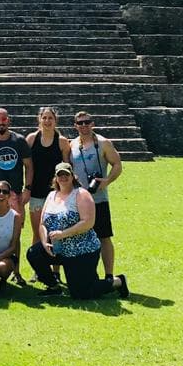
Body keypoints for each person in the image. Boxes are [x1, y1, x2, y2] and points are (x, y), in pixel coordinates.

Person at [27, 163, 128, 300]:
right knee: (34, 253)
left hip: (81, 250)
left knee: (81, 293)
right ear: (56, 178)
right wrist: (45, 243)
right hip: (59, 249)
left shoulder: (81, 194)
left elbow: (88, 222)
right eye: (60, 175)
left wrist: (63, 234)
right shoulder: (51, 195)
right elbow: (42, 223)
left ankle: (118, 281)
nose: (63, 177)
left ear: (73, 176)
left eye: (66, 174)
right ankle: (53, 287)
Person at [69, 111, 123, 280]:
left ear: (92, 123)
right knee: (79, 237)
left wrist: (107, 181)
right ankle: (85, 274)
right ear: (75, 126)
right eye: (80, 123)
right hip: (79, 200)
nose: (84, 125)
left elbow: (117, 164)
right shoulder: (72, 145)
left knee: (104, 237)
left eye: (87, 122)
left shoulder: (103, 143)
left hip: (99, 199)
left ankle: (109, 275)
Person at [25, 107, 71, 254]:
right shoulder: (31, 139)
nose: (47, 121)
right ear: (39, 120)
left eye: (50, 118)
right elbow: (27, 166)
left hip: (56, 194)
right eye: (44, 118)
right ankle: (37, 265)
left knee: (56, 233)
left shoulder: (62, 142)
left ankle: (56, 266)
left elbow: (68, 168)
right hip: (36, 192)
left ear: (55, 120)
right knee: (37, 233)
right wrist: (26, 188)